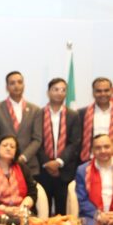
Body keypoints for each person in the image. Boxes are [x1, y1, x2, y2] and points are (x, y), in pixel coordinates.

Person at [36, 78, 81, 216]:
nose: (59, 93)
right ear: (48, 92)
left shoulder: (73, 115)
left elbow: (74, 142)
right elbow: (36, 141)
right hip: (43, 170)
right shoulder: (38, 114)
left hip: (65, 171)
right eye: (55, 89)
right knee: (43, 212)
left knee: (63, 213)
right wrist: (47, 163)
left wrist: (59, 162)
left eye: (63, 90)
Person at [0, 71, 42, 175]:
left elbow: (37, 139)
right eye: (12, 83)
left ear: (24, 85)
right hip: (3, 166)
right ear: (7, 87)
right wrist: (7, 156)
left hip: (29, 166)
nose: (16, 86)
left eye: (19, 82)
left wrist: (23, 157)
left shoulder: (35, 110)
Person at [0, 135, 38, 225]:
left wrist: (22, 208)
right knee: (8, 222)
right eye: (5, 145)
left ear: (16, 151)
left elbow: (33, 192)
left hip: (22, 211)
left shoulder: (23, 168)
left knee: (32, 222)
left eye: (12, 146)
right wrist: (6, 209)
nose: (8, 148)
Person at [75, 134, 113, 225]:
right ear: (92, 151)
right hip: (92, 216)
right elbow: (82, 200)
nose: (103, 151)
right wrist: (99, 215)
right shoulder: (83, 170)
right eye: (98, 148)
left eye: (106, 147)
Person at [78, 77, 113, 164]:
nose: (103, 94)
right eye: (99, 91)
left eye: (106, 90)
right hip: (89, 161)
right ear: (93, 93)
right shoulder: (81, 113)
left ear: (111, 91)